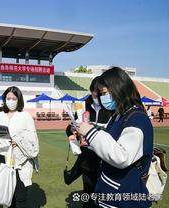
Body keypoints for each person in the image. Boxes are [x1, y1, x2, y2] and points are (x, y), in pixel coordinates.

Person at [76, 67, 153, 208]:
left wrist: (91, 133)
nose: (102, 98)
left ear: (119, 88)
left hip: (124, 198)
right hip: (112, 194)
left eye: (104, 93)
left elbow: (121, 156)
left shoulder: (137, 119)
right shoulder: (119, 116)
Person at [64, 76, 113, 208]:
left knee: (104, 194)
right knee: (88, 194)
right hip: (87, 158)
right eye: (95, 92)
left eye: (102, 93)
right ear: (91, 91)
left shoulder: (111, 108)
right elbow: (70, 127)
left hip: (105, 158)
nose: (98, 96)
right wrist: (71, 134)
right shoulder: (82, 106)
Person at [0, 86, 39, 208]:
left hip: (20, 159)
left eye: (14, 98)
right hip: (3, 157)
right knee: (7, 194)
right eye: (8, 98)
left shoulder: (25, 116)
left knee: (20, 194)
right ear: (4, 100)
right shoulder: (0, 115)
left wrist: (19, 142)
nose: (11, 101)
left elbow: (33, 140)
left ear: (19, 99)